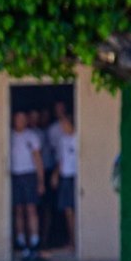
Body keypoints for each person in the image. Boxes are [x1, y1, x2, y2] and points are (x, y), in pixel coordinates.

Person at [10, 110, 45, 261]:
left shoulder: (32, 136)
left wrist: (40, 181)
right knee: (18, 209)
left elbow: (38, 159)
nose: (21, 122)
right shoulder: (9, 135)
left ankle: (35, 241)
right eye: (18, 119)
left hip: (29, 174)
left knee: (31, 209)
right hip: (15, 175)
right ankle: (21, 241)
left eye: (23, 119)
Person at [51, 103, 77, 252]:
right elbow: (62, 159)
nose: (62, 127)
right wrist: (55, 175)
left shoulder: (78, 138)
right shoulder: (63, 140)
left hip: (76, 177)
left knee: (77, 209)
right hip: (65, 177)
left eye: (65, 124)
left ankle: (78, 241)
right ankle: (71, 240)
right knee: (68, 211)